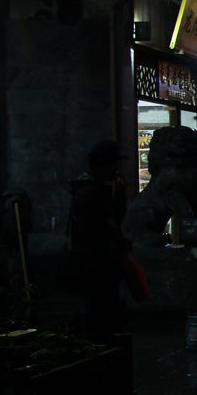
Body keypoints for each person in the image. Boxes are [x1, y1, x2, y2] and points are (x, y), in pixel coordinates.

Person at [68, 139, 131, 341]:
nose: (115, 170)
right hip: (94, 267)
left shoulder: (101, 191)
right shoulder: (90, 195)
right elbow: (94, 233)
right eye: (112, 165)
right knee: (98, 318)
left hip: (102, 266)